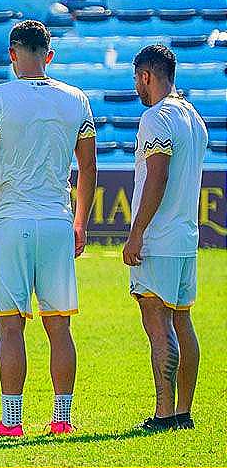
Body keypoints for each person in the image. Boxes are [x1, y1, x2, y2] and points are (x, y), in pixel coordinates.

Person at [0, 20, 97, 437]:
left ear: (12, 54)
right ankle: (62, 419)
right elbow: (88, 166)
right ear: (49, 56)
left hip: (11, 222)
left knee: (10, 325)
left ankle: (12, 421)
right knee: (59, 326)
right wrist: (80, 221)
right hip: (57, 221)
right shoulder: (76, 98)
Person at [123, 44, 206, 432]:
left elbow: (157, 176)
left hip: (159, 238)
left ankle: (163, 413)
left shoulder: (156, 117)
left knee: (158, 324)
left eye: (136, 80)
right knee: (182, 321)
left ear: (146, 76)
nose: (137, 88)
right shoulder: (194, 117)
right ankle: (183, 412)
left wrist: (136, 234)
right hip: (186, 237)